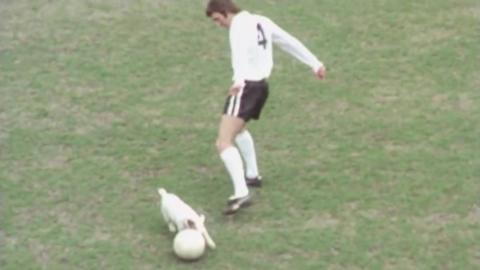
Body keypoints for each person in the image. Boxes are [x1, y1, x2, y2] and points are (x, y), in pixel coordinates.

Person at [205, 0, 326, 215]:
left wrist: (237, 81)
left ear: (225, 12)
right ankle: (252, 175)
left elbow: (239, 55)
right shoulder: (261, 21)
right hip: (261, 87)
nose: (219, 24)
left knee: (223, 142)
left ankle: (241, 193)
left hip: (245, 87)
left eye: (217, 19)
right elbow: (288, 41)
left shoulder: (238, 27)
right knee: (238, 129)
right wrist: (314, 63)